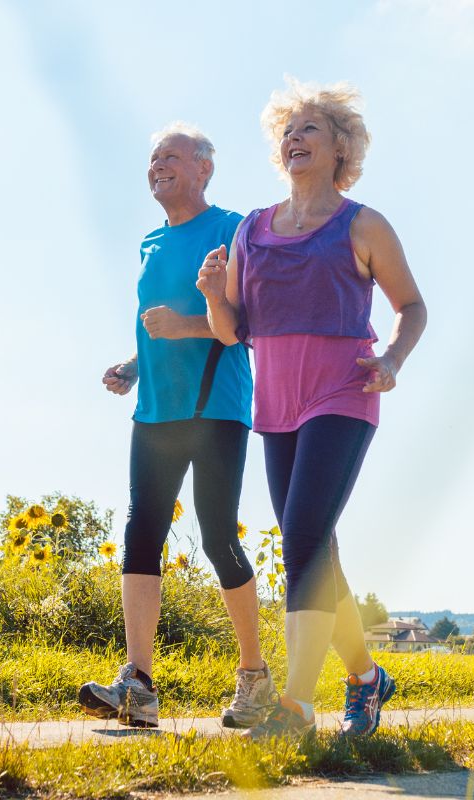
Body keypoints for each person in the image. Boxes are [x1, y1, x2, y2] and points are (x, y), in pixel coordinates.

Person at [197, 80, 427, 739]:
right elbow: (230, 329)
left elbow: (413, 306)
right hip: (276, 401)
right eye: (287, 132)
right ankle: (365, 676)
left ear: (340, 148)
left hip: (343, 392)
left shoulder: (363, 224)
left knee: (300, 538)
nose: (294, 140)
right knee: (315, 549)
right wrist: (214, 295)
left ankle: (296, 706)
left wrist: (391, 361)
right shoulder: (253, 230)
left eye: (310, 131)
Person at [80, 123, 275, 729]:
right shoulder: (149, 242)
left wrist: (185, 326)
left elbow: (245, 323)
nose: (158, 165)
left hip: (216, 403)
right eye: (153, 158)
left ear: (204, 169)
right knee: (142, 534)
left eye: (172, 156)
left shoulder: (233, 229)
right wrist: (136, 365)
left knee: (218, 538)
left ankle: (255, 680)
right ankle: (138, 685)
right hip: (157, 408)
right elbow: (153, 325)